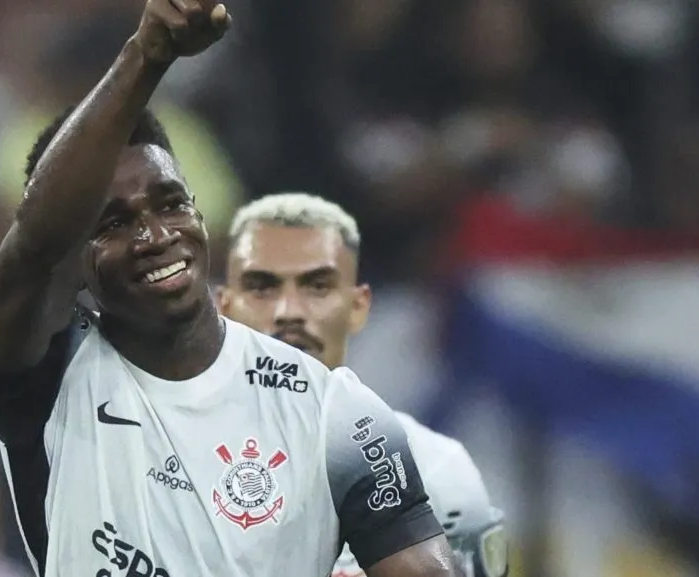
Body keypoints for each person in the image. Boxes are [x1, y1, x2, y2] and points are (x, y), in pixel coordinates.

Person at [0, 1, 457, 576]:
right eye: (113, 223)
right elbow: (34, 246)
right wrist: (148, 55)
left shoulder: (333, 410)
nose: (155, 235)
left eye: (172, 204)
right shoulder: (47, 378)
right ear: (74, 258)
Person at [216, 192, 509, 577]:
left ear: (358, 307)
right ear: (224, 307)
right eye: (263, 288)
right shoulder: (161, 452)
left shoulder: (440, 470)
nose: (290, 311)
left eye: (317, 287)